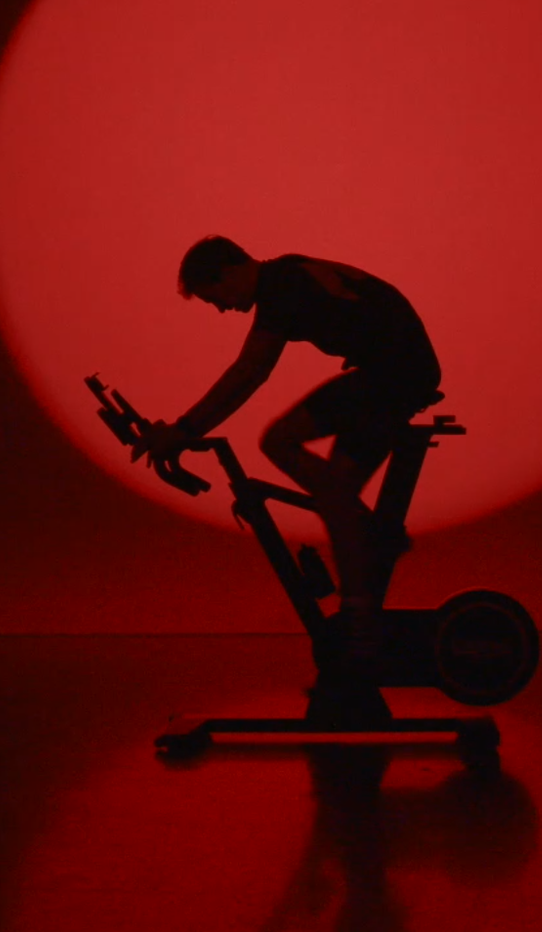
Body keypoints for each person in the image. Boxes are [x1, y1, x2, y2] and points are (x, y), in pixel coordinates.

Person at [144, 235, 441, 653]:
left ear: (230, 272)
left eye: (216, 298)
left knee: (280, 442)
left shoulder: (281, 284)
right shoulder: (287, 277)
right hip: (395, 369)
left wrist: (183, 430)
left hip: (393, 372)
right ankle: (362, 598)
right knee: (335, 493)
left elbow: (250, 372)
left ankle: (363, 577)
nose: (223, 309)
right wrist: (184, 431)